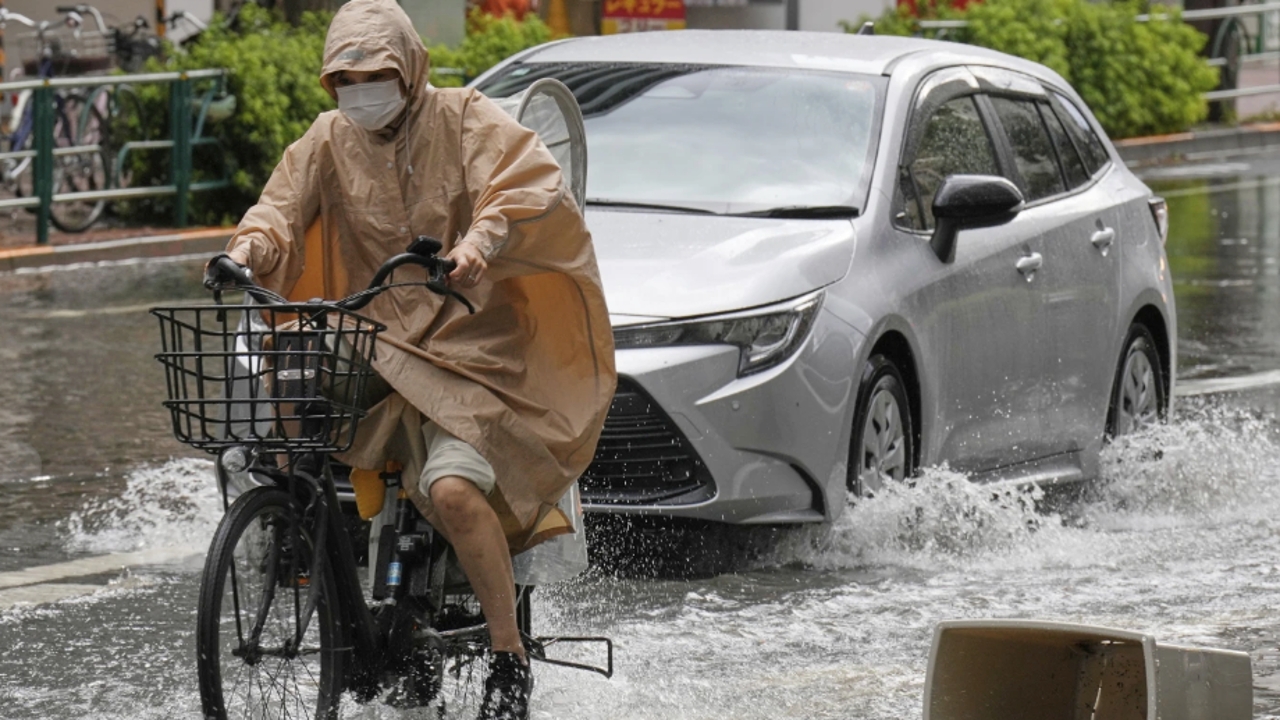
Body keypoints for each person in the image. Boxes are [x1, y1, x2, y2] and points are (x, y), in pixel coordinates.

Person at [206, 1, 615, 717]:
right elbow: (277, 210)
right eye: (345, 79)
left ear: (409, 68)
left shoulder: (464, 117)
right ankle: (321, 560)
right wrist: (245, 252)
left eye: (376, 75)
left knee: (454, 492)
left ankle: (506, 658)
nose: (360, 90)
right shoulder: (329, 139)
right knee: (287, 398)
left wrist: (476, 246)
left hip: (474, 346)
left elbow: (523, 186)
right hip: (375, 335)